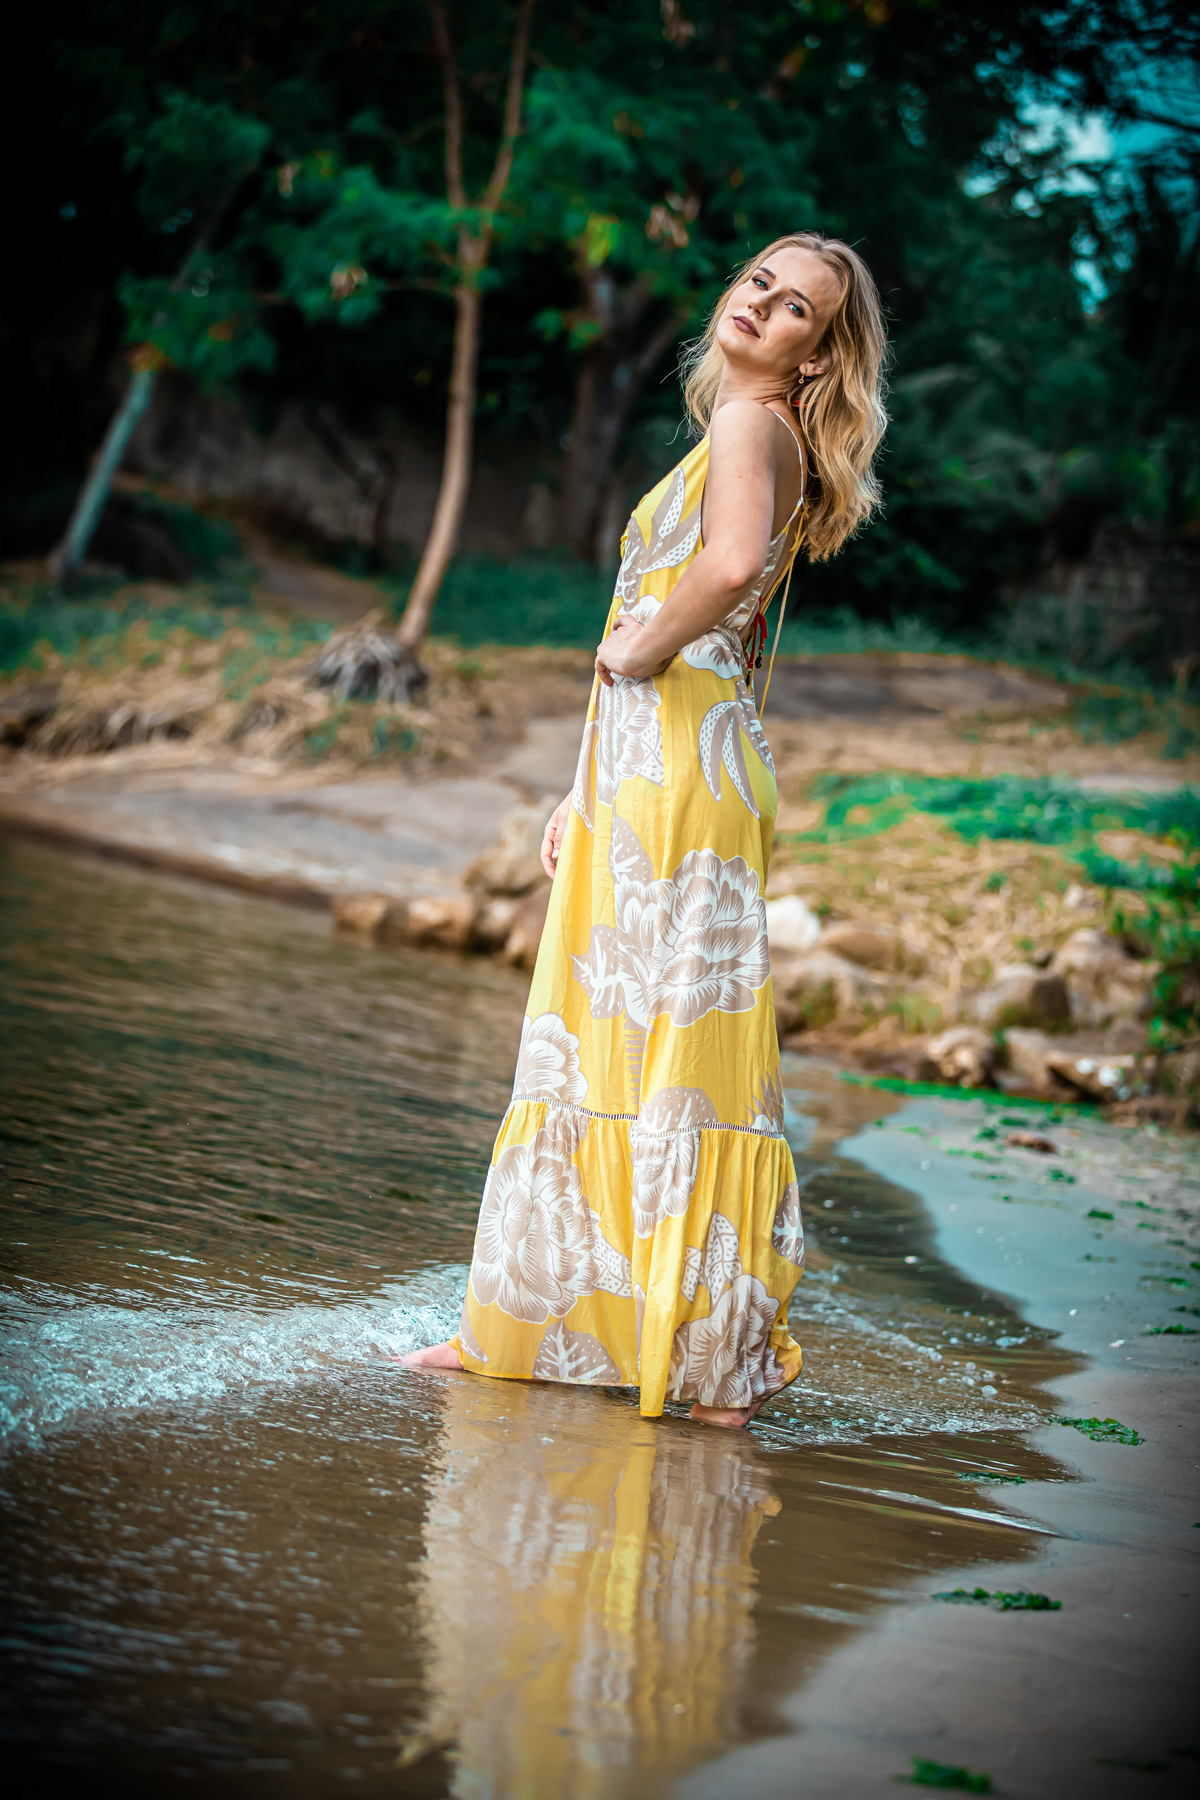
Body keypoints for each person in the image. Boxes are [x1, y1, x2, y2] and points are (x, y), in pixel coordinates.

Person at [400, 232, 888, 1427]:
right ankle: (634, 1340)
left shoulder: (745, 428)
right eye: (757, 284)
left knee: (626, 1038)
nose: (763, 307)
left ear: (817, 355)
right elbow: (703, 626)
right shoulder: (754, 436)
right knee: (644, 1040)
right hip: (671, 764)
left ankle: (629, 1344)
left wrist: (637, 650)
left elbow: (715, 578)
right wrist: (583, 784)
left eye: (796, 310)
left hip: (677, 765)